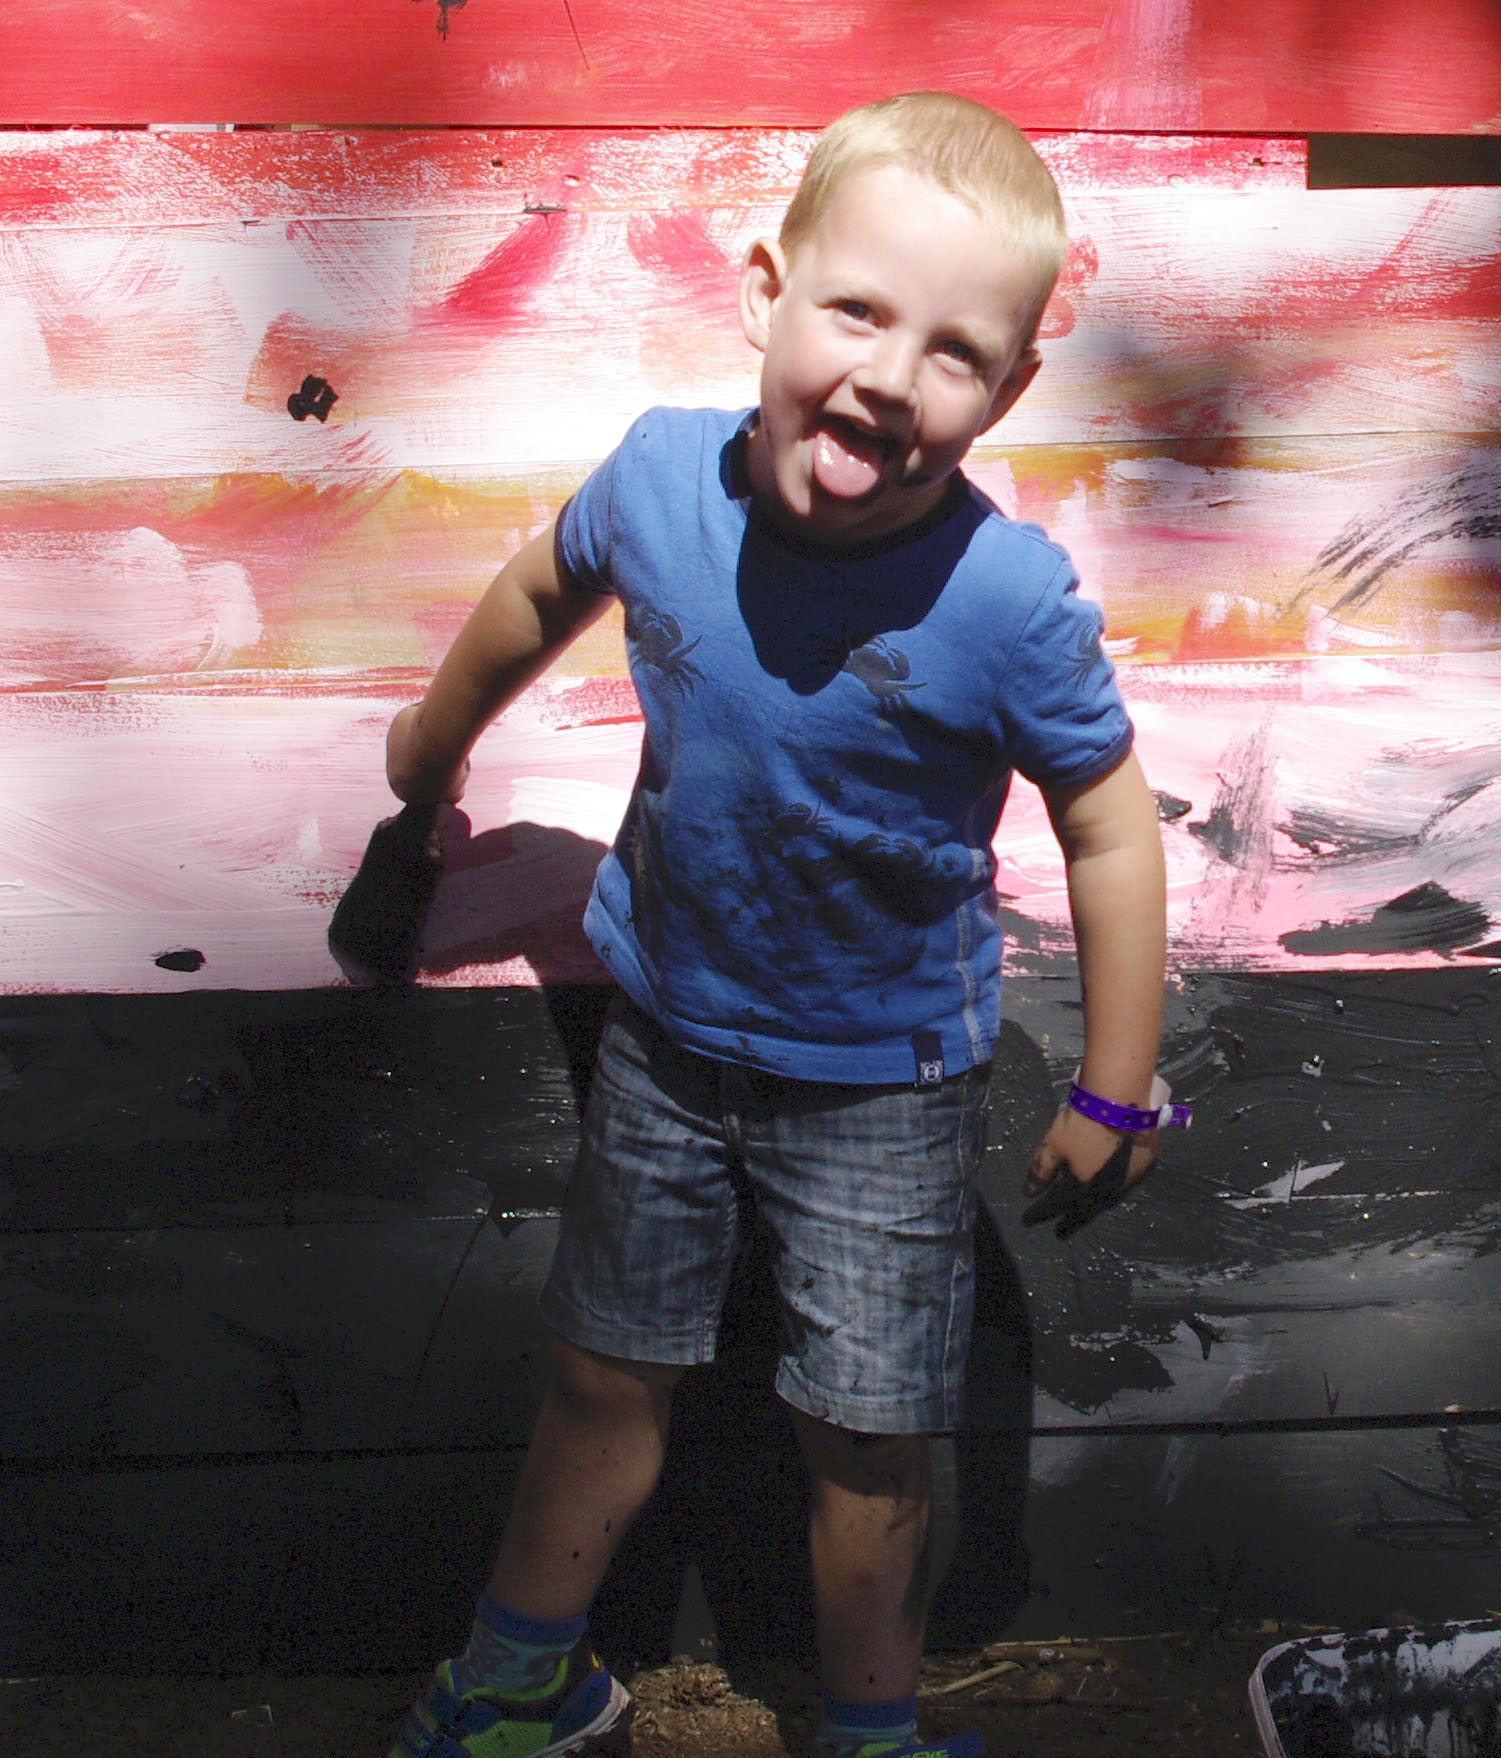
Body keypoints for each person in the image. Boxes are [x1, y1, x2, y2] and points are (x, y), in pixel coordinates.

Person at [385, 90, 1173, 1758]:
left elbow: (1106, 822)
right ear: (766, 291)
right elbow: (537, 588)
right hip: (663, 1045)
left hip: (884, 1089)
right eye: (858, 311)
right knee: (600, 1375)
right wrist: (431, 747)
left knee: (866, 1445)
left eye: (954, 351)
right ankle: (519, 1679)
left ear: (1006, 391)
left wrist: (1115, 1085)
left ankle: (868, 1729)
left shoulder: (1005, 600)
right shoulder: (660, 480)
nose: (890, 376)